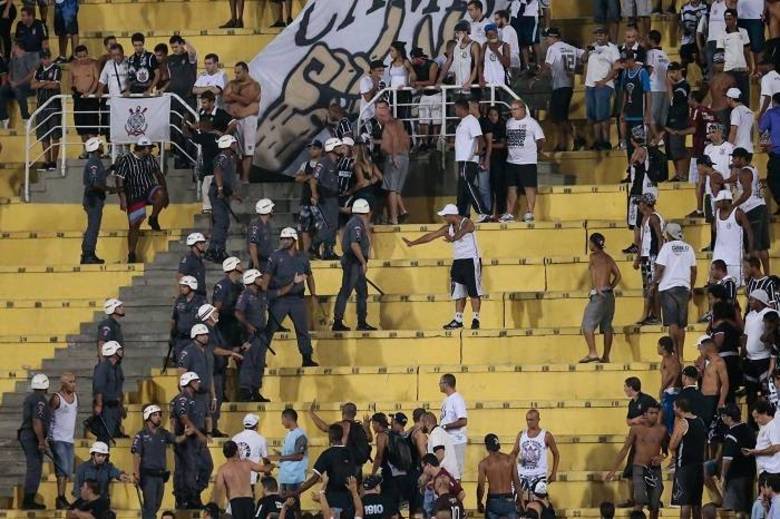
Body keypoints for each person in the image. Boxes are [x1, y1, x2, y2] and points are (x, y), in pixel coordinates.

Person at [403, 203, 483, 329]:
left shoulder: (467, 223)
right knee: (458, 292)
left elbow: (462, 232)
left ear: (453, 215)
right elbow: (431, 236)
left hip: (471, 260)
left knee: (474, 291)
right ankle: (458, 319)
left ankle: (475, 319)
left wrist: (453, 238)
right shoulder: (448, 228)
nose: (444, 218)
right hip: (458, 261)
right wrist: (413, 243)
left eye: (445, 216)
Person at [263, 226, 319, 366]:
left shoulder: (303, 257)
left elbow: (309, 276)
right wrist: (264, 294)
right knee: (270, 329)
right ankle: (260, 357)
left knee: (302, 330)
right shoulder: (275, 256)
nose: (284, 241)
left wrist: (313, 294)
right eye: (283, 238)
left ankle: (306, 358)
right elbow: (267, 277)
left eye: (287, 239)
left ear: (294, 240)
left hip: (297, 299)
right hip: (280, 298)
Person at [605, 404, 667, 519]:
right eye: (651, 413)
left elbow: (666, 450)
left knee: (654, 504)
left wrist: (662, 456)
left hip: (654, 469)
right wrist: (613, 470)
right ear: (644, 414)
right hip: (639, 467)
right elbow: (625, 449)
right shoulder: (636, 429)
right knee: (639, 500)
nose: (654, 416)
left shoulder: (662, 430)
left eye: (656, 413)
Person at [114, 137, 169, 263]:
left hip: (149, 189)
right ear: (143, 148)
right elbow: (119, 180)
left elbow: (158, 175)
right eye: (149, 148)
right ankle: (131, 253)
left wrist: (166, 193)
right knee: (134, 225)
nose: (151, 150)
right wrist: (122, 198)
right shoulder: (126, 160)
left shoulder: (150, 158)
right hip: (134, 193)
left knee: (160, 193)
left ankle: (153, 218)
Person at [291, 424, 358, 517]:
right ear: (341, 435)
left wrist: (297, 491)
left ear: (330, 437)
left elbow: (315, 478)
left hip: (333, 500)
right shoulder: (351, 453)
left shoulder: (327, 454)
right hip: (349, 500)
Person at [654, 223, 697, 358]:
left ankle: (674, 355)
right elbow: (694, 270)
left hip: (668, 289)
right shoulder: (688, 248)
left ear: (668, 234)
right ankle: (681, 355)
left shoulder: (666, 247)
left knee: (672, 323)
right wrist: (691, 287)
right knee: (681, 325)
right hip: (684, 288)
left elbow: (660, 268)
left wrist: (652, 284)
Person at [332, 198, 376, 332]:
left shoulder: (354, 222)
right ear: (366, 212)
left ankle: (361, 322)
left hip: (354, 262)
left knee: (362, 292)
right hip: (354, 262)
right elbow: (354, 244)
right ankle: (338, 322)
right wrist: (363, 261)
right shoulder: (357, 224)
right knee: (346, 291)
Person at [172, 372, 213, 509]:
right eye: (195, 381)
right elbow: (184, 418)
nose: (198, 383)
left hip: (199, 437)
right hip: (187, 440)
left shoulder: (200, 399)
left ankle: (195, 493)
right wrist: (199, 434)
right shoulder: (181, 399)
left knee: (208, 465)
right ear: (187, 383)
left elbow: (207, 417)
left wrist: (208, 433)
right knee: (189, 469)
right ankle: (190, 499)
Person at [132, 404, 181, 519]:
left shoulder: (163, 432)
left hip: (160, 475)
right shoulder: (141, 435)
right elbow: (136, 455)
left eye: (159, 415)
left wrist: (186, 434)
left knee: (156, 505)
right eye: (155, 415)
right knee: (150, 507)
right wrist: (136, 473)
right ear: (147, 417)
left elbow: (177, 439)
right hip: (148, 475)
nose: (159, 417)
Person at [539, 27, 584, 151]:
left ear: (553, 37)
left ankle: (577, 137)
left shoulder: (552, 48)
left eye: (548, 37)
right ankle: (562, 143)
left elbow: (547, 67)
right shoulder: (570, 47)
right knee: (558, 118)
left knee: (559, 118)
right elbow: (584, 55)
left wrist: (537, 77)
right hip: (568, 85)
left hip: (559, 85)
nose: (546, 40)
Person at [500, 99, 544, 223]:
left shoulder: (532, 123)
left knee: (529, 187)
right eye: (511, 109)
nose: (512, 112)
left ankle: (530, 212)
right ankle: (509, 213)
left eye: (515, 109)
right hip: (511, 161)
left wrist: (535, 152)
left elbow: (541, 140)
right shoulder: (509, 122)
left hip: (528, 162)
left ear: (522, 109)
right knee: (511, 188)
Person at [581, 232, 621, 363]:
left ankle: (592, 353)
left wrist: (597, 288)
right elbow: (618, 276)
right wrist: (610, 286)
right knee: (607, 326)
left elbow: (594, 272)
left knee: (587, 324)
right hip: (610, 295)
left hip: (599, 295)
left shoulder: (593, 257)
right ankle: (606, 356)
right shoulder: (608, 258)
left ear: (593, 243)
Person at [511, 409, 560, 508]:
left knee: (539, 503)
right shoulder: (521, 435)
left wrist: (554, 473)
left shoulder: (546, 435)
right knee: (516, 501)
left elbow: (556, 454)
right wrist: (506, 461)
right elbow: (515, 452)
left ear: (538, 419)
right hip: (522, 474)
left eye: (532, 420)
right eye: (527, 420)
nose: (529, 422)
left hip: (539, 475)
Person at [733, 148, 770, 275]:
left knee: (753, 246)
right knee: (763, 247)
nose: (733, 160)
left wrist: (734, 205)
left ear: (742, 158)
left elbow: (747, 193)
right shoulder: (752, 168)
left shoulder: (744, 172)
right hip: (761, 207)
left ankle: (756, 277)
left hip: (751, 209)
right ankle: (767, 275)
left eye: (735, 158)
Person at [212, 440, 272, 519]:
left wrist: (217, 507)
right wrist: (271, 464)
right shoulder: (246, 463)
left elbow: (219, 489)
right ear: (236, 451)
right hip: (249, 501)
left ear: (224, 454)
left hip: (235, 502)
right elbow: (266, 469)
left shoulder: (223, 469)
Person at [669, 398, 708, 519]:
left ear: (680, 408)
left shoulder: (682, 423)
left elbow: (672, 445)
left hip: (684, 467)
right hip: (699, 466)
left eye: (674, 407)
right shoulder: (700, 421)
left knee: (684, 503)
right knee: (696, 503)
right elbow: (705, 442)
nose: (673, 409)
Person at [583, 26, 620, 151]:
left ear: (607, 35)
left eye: (601, 34)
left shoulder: (612, 48)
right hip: (590, 85)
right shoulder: (592, 47)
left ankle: (606, 141)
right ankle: (597, 141)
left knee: (603, 115)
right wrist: (586, 51)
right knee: (592, 116)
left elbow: (616, 67)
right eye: (597, 34)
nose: (598, 37)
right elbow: (582, 60)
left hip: (604, 85)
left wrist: (605, 81)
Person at [223, 61, 260, 183]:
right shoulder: (233, 83)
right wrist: (237, 97)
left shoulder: (254, 85)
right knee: (236, 150)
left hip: (249, 120)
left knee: (248, 151)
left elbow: (248, 100)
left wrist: (233, 95)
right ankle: (237, 176)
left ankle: (245, 178)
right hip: (235, 120)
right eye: (235, 72)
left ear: (246, 71)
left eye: (238, 72)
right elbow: (225, 97)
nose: (236, 75)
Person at [205, 134, 240, 263]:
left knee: (221, 222)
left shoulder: (229, 158)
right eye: (233, 143)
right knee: (221, 222)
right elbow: (218, 170)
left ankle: (217, 248)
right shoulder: (223, 157)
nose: (235, 145)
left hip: (223, 192)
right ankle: (215, 250)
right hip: (217, 192)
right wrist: (220, 188)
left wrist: (232, 194)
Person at [19, 373, 50, 509]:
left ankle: (29, 498)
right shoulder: (40, 400)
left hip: (27, 435)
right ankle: (28, 500)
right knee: (35, 467)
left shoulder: (30, 398)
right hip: (32, 436)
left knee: (34, 466)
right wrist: (41, 441)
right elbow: (37, 421)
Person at [719, 403, 756, 519]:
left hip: (736, 476)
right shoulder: (748, 429)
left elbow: (727, 459)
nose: (722, 418)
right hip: (750, 473)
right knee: (747, 509)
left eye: (724, 415)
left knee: (739, 511)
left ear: (729, 418)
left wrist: (723, 476)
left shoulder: (732, 434)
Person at [378, 98, 410, 226]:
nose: (379, 112)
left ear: (387, 109)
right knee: (396, 189)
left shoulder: (389, 124)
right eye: (378, 108)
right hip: (405, 157)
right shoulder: (399, 122)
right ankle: (402, 211)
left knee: (391, 189)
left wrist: (393, 155)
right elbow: (406, 140)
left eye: (381, 108)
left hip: (394, 157)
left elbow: (393, 141)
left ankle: (394, 218)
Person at [634, 193, 665, 326]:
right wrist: (638, 257)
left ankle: (656, 316)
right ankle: (651, 314)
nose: (639, 206)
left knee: (654, 286)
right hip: (647, 257)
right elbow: (642, 241)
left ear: (646, 204)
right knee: (648, 286)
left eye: (640, 203)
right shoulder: (645, 218)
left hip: (653, 256)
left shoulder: (653, 218)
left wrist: (659, 258)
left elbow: (659, 239)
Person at [744, 290, 777, 411]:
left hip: (765, 358)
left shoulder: (770, 313)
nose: (750, 301)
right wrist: (743, 354)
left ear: (759, 300)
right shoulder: (749, 315)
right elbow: (746, 336)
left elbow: (773, 332)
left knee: (766, 392)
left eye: (752, 299)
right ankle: (753, 424)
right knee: (750, 394)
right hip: (750, 359)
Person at [80, 137, 111, 265]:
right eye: (100, 145)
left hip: (94, 198)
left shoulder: (96, 161)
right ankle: (88, 254)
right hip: (93, 198)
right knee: (93, 227)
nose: (102, 147)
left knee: (93, 226)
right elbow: (95, 183)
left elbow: (99, 176)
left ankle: (88, 253)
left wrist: (111, 169)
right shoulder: (94, 162)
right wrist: (112, 189)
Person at [50, 373, 78, 510]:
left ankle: (61, 497)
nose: (74, 384)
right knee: (62, 468)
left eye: (74, 381)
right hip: (57, 438)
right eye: (70, 382)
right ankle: (60, 498)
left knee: (67, 470)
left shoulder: (75, 397)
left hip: (69, 439)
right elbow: (48, 416)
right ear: (63, 383)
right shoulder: (56, 398)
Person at [712, 189, 754, 283]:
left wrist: (750, 251)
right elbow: (714, 229)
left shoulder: (738, 213)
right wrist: (715, 212)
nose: (717, 204)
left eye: (719, 201)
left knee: (736, 287)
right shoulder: (718, 213)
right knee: (718, 288)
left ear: (726, 201)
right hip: (719, 258)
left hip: (734, 260)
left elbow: (749, 232)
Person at [310, 137, 342, 260]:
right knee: (328, 226)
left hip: (333, 198)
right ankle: (314, 246)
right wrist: (314, 194)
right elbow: (313, 179)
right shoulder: (323, 162)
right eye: (338, 147)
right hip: (325, 198)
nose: (340, 149)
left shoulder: (335, 163)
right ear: (332, 148)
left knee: (333, 225)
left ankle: (329, 251)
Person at [31, 49, 61, 172]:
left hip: (54, 106)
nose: (45, 60)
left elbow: (55, 85)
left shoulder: (56, 68)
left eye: (47, 58)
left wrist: (40, 83)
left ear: (50, 57)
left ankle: (54, 162)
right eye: (43, 58)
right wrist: (46, 82)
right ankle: (47, 162)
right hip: (41, 107)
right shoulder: (38, 69)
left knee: (55, 135)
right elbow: (32, 85)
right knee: (44, 136)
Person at [619, 50, 652, 162]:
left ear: (631, 59)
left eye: (625, 61)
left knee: (639, 144)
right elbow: (624, 93)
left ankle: (640, 168)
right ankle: (630, 168)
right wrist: (622, 110)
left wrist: (648, 111)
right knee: (629, 144)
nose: (623, 64)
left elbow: (647, 92)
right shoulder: (625, 73)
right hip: (629, 112)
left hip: (639, 113)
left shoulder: (642, 73)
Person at [476, 434, 517, 519]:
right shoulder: (510, 459)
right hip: (509, 499)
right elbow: (517, 483)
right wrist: (521, 501)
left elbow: (481, 487)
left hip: (493, 500)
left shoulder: (484, 463)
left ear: (487, 447)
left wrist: (479, 502)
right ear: (498, 445)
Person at [269, 408, 308, 496]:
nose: (282, 422)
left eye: (282, 419)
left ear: (287, 418)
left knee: (292, 503)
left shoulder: (300, 435)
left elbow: (299, 456)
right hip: (286, 475)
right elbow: (290, 454)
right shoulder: (289, 434)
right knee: (284, 503)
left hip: (294, 477)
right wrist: (279, 454)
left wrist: (280, 457)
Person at [92, 341, 124, 443]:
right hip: (106, 407)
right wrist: (99, 404)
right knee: (104, 435)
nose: (121, 352)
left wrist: (121, 406)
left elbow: (119, 389)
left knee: (113, 434)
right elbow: (99, 387)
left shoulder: (117, 368)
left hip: (115, 407)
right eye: (119, 350)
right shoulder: (102, 367)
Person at [0, 40, 38, 127]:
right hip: (14, 86)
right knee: (2, 90)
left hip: (27, 86)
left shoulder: (28, 57)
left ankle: (26, 117)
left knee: (18, 90)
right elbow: (9, 73)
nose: (12, 48)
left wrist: (17, 83)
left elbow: (31, 74)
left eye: (13, 46)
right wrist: (11, 82)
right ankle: (4, 117)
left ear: (17, 47)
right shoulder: (13, 59)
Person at [717, 9, 752, 102]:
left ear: (735, 18)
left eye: (730, 19)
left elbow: (747, 51)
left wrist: (750, 66)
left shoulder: (743, 32)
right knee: (730, 97)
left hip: (742, 69)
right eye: (726, 19)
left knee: (744, 96)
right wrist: (721, 72)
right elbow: (720, 54)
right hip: (728, 70)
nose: (728, 21)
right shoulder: (721, 34)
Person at [437, 20, 481, 95]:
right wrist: (439, 80)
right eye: (456, 33)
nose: (457, 35)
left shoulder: (474, 45)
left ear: (465, 32)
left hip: (471, 86)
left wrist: (469, 82)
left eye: (458, 33)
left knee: (471, 106)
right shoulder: (456, 46)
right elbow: (448, 63)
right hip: (457, 86)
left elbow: (477, 65)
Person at [171, 276, 207, 361]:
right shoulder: (179, 300)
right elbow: (174, 318)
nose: (181, 289)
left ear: (192, 286)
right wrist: (172, 335)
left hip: (195, 340)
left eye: (184, 286)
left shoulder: (201, 301)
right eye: (181, 286)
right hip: (181, 339)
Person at [665, 62, 691, 181]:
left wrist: (670, 86)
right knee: (672, 150)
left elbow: (673, 100)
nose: (672, 74)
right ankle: (678, 173)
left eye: (674, 71)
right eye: (670, 72)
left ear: (680, 71)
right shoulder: (676, 85)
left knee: (678, 149)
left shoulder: (684, 85)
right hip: (671, 120)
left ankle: (682, 175)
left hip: (680, 121)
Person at [411, 47, 441, 150]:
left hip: (436, 94)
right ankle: (424, 143)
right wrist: (416, 83)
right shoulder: (414, 67)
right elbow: (411, 81)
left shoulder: (432, 64)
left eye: (413, 58)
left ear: (419, 58)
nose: (412, 61)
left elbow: (431, 81)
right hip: (425, 95)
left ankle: (434, 142)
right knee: (423, 120)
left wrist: (418, 84)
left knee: (436, 121)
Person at [697, 336, 730, 429]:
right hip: (704, 398)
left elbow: (725, 383)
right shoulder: (708, 362)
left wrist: (721, 401)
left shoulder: (719, 362)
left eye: (701, 349)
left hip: (712, 398)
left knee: (711, 426)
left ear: (706, 349)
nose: (700, 352)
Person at [70, 45, 99, 145]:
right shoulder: (73, 66)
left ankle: (94, 151)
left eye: (84, 56)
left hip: (91, 99)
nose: (83, 59)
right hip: (79, 98)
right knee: (81, 126)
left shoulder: (93, 65)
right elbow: (71, 82)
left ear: (87, 55)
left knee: (92, 126)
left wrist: (90, 92)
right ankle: (85, 149)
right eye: (80, 57)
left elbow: (96, 80)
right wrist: (75, 91)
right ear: (76, 57)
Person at [231, 413, 268, 488]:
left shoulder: (235, 438)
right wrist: (268, 470)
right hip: (251, 478)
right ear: (256, 425)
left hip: (235, 476)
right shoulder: (261, 439)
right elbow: (265, 459)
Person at [745, 400, 780, 476]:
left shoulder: (773, 426)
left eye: (757, 417)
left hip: (772, 471)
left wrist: (757, 452)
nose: (756, 420)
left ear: (765, 412)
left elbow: (776, 447)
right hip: (766, 469)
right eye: (754, 418)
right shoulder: (765, 426)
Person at [645, 30, 670, 140]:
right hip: (665, 89)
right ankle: (660, 144)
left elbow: (649, 70)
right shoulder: (665, 55)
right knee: (661, 120)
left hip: (654, 88)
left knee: (651, 118)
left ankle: (652, 143)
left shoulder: (650, 54)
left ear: (650, 40)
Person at [759, 93, 780, 213]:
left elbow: (762, 130)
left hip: (776, 153)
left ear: (774, 102)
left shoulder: (770, 113)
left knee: (772, 180)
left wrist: (766, 146)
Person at [658, 336, 682, 432]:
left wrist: (662, 389)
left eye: (658, 346)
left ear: (663, 347)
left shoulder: (672, 359)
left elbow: (674, 374)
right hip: (668, 392)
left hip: (671, 393)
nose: (657, 348)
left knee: (670, 424)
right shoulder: (666, 359)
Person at [247, 198, 274, 271]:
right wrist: (256, 264)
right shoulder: (255, 225)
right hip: (260, 262)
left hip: (267, 261)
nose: (272, 210)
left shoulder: (267, 224)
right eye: (271, 208)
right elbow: (252, 245)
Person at [178, 232, 207, 298]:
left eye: (203, 243)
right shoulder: (188, 259)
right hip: (192, 295)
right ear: (194, 245)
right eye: (201, 243)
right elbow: (180, 276)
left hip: (201, 295)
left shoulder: (200, 259)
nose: (203, 245)